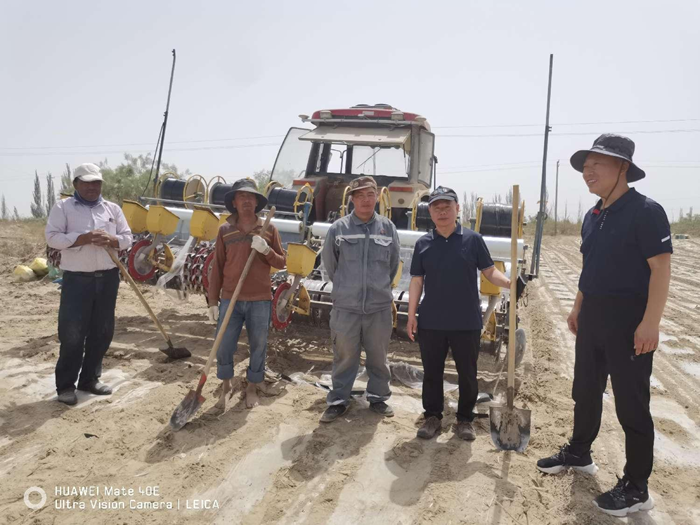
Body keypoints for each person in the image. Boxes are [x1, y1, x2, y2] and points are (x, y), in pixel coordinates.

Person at [536, 134, 672, 517]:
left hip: (629, 322)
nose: (588, 171)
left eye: (597, 164)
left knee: (632, 404)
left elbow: (661, 268)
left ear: (623, 167)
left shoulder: (646, 211)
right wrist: (578, 306)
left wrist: (651, 322)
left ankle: (637, 487)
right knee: (585, 390)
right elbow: (590, 266)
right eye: (585, 166)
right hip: (593, 317)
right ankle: (580, 452)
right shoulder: (593, 215)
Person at [407, 186, 511, 440]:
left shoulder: (473, 240)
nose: (442, 212)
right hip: (432, 321)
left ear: (457, 209)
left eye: (447, 207)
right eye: (437, 208)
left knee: (468, 374)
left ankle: (465, 419)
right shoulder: (423, 244)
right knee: (432, 372)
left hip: (466, 321)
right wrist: (411, 315)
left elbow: (489, 271)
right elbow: (417, 281)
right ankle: (432, 416)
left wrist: (510, 283)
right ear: (430, 212)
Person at [45, 163, 133, 406]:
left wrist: (112, 240)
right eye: (86, 182)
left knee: (102, 332)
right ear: (76, 184)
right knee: (72, 333)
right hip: (77, 280)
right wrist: (82, 239)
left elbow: (127, 238)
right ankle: (65, 386)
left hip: (108, 278)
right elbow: (52, 238)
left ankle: (90, 379)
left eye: (96, 182)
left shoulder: (112, 209)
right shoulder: (63, 208)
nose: (92, 187)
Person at [319, 176, 400, 423]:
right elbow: (331, 266)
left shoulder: (388, 228)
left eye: (370, 195)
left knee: (378, 357)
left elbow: (392, 265)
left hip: (378, 309)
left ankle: (378, 397)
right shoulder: (338, 229)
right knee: (345, 356)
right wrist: (348, 288)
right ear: (352, 199)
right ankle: (338, 401)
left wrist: (377, 289)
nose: (366, 200)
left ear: (377, 197)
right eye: (360, 195)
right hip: (346, 308)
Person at [207, 178, 286, 410]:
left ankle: (252, 386)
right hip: (230, 298)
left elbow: (281, 262)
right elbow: (217, 267)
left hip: (260, 299)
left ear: (257, 202)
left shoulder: (269, 229)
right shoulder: (224, 230)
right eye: (241, 196)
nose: (246, 200)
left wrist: (266, 250)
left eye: (250, 196)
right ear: (234, 202)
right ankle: (226, 386)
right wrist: (213, 301)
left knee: (258, 345)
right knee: (224, 344)